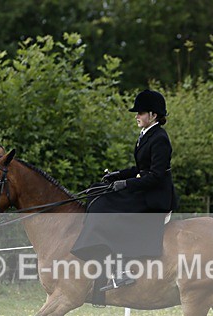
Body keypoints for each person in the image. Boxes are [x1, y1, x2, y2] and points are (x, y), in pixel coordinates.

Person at [71, 89, 179, 294]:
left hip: (155, 196)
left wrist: (127, 184)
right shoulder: (146, 135)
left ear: (153, 115)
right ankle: (97, 251)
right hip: (144, 188)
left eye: (140, 112)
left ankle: (124, 268)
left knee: (106, 206)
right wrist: (117, 175)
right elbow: (140, 168)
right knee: (97, 192)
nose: (136, 116)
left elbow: (155, 176)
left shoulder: (160, 138)